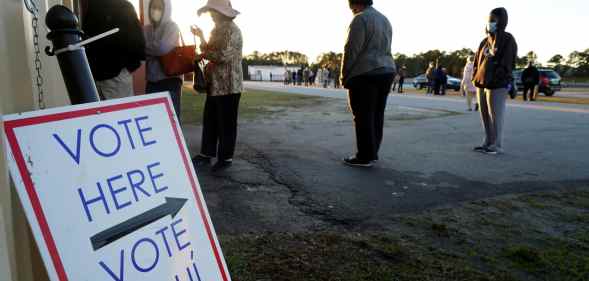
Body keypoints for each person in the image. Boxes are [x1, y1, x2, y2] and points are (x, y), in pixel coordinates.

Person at [340, 0, 396, 167]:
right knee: (377, 114)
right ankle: (372, 153)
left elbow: (351, 49)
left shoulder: (360, 18)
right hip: (386, 70)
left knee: (363, 115)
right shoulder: (385, 19)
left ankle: (364, 156)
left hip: (366, 72)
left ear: (355, 4)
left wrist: (344, 75)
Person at [191, 0, 243, 172]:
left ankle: (225, 158)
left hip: (229, 86)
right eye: (211, 11)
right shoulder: (217, 29)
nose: (211, 14)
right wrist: (200, 37)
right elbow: (210, 48)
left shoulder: (233, 31)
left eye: (213, 11)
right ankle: (207, 154)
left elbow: (223, 55)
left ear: (222, 12)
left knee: (226, 124)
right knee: (210, 120)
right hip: (215, 84)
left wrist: (203, 54)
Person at [473, 7, 518, 155]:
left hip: (497, 84)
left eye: (493, 20)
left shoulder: (507, 39)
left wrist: (498, 75)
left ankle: (497, 145)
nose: (490, 23)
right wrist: (476, 78)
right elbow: (476, 62)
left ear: (501, 21)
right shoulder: (484, 42)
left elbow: (508, 62)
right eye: (489, 20)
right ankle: (488, 141)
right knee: (484, 114)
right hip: (481, 83)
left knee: (495, 115)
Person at [83, 0, 145, 100]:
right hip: (96, 78)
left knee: (121, 113)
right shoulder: (93, 6)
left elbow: (137, 43)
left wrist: (125, 69)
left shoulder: (123, 7)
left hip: (116, 78)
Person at [144, 0, 183, 117]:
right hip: (152, 82)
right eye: (153, 7)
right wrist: (153, 48)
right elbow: (139, 48)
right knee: (152, 118)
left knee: (171, 119)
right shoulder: (146, 29)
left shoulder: (172, 27)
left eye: (159, 8)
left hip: (170, 81)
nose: (155, 10)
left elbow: (163, 48)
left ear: (166, 10)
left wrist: (147, 48)